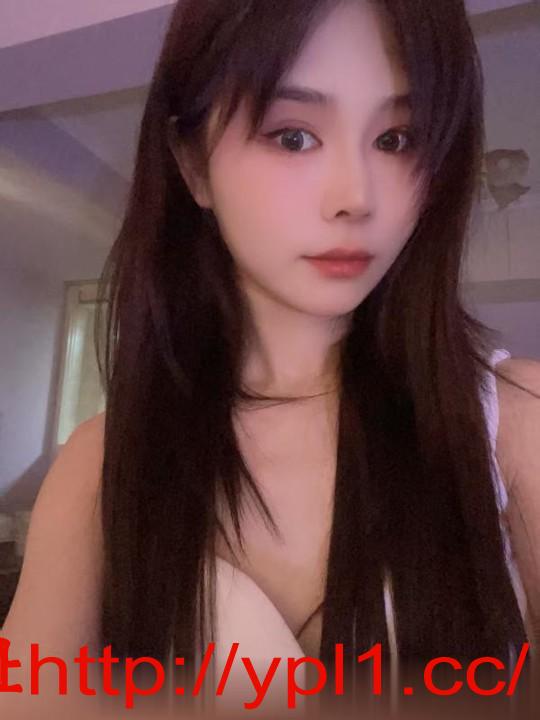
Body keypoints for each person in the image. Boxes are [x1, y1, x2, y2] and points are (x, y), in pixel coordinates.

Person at [3, 0, 540, 713]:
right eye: (293, 136)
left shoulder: (514, 425)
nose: (356, 197)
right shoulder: (103, 465)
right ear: (193, 165)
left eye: (397, 139)